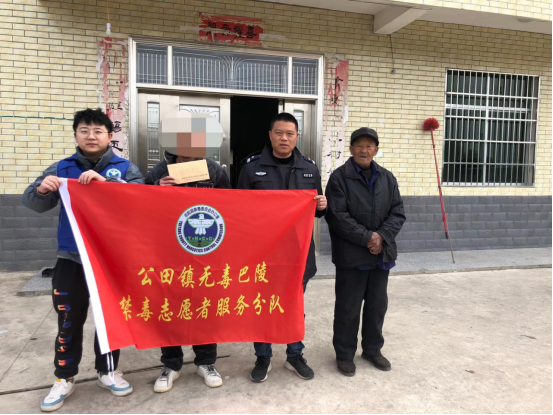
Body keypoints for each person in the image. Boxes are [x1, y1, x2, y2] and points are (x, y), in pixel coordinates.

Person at [22, 108, 145, 412]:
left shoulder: (125, 168)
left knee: (109, 319)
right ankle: (64, 376)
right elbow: (32, 201)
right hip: (71, 258)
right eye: (84, 130)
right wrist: (42, 189)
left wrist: (107, 185)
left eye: (98, 131)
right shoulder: (61, 168)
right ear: (76, 134)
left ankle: (107, 371)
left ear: (109, 135)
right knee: (68, 319)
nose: (91, 136)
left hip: (110, 260)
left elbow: (142, 201)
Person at [237, 112, 327, 383]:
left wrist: (323, 205)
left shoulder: (309, 169)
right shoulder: (251, 167)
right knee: (262, 305)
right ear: (270, 135)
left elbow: (316, 210)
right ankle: (263, 357)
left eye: (289, 133)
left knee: (293, 304)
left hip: (298, 252)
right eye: (279, 133)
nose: (284, 138)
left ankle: (294, 355)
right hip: (263, 253)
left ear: (297, 136)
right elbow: (239, 210)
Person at [146, 136, 231, 393]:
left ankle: (206, 362)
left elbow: (230, 205)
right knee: (170, 306)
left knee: (204, 306)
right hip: (169, 252)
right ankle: (171, 364)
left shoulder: (214, 170)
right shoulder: (159, 171)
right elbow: (140, 204)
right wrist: (156, 189)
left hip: (206, 249)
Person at [325, 128, 406, 377]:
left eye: (369, 145)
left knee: (376, 306)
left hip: (381, 255)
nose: (364, 150)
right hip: (351, 257)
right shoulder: (339, 178)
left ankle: (372, 350)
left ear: (376, 150)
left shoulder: (387, 178)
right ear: (351, 149)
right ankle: (344, 354)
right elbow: (337, 216)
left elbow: (397, 213)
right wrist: (368, 237)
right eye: (359, 145)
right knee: (348, 308)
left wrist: (381, 236)